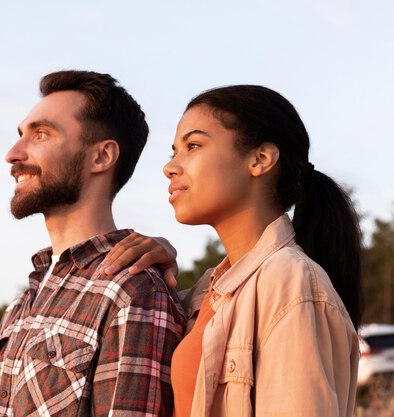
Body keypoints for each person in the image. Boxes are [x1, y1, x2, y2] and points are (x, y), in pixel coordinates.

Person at [101, 85, 361, 417]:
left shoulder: (288, 281)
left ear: (260, 159)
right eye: (173, 152)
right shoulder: (207, 293)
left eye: (193, 145)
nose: (170, 167)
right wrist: (155, 266)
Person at [0, 70, 185, 417]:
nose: (13, 154)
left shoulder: (134, 293)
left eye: (40, 134)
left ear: (101, 157)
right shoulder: (20, 306)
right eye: (20, 136)